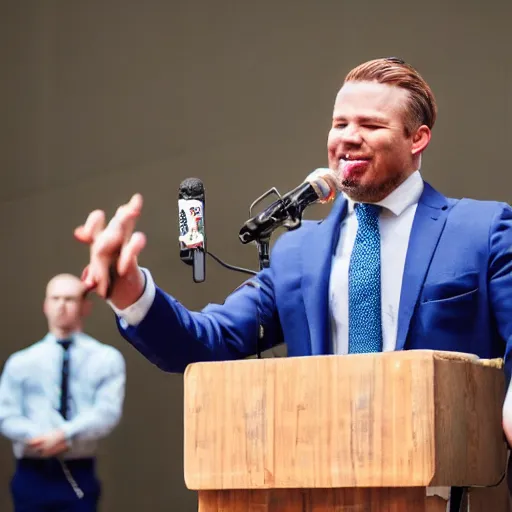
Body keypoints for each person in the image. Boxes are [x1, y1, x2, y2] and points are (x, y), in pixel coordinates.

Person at [73, 57, 512, 446]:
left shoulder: (482, 230)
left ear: (417, 139)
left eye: (371, 125)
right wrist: (130, 292)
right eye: (340, 124)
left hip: (450, 480)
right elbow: (207, 342)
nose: (349, 138)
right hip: (323, 475)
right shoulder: (298, 252)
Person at [0, 273, 126, 512]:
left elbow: (107, 412)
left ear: (84, 306)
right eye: (55, 298)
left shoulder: (105, 358)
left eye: (69, 299)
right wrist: (39, 437)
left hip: (78, 470)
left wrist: (65, 434)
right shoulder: (21, 362)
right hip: (32, 471)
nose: (61, 306)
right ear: (45, 305)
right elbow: (5, 414)